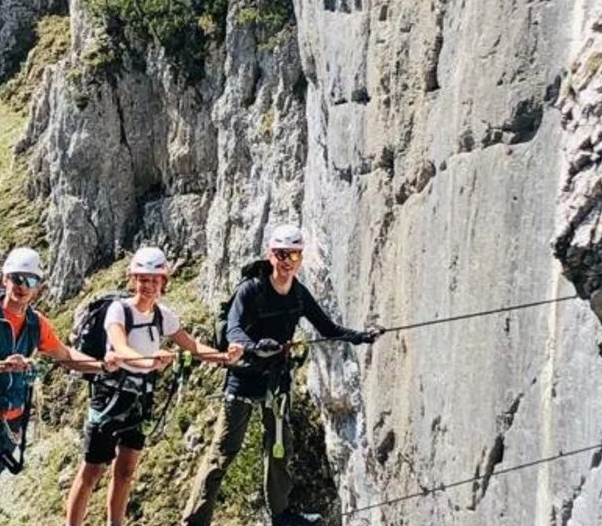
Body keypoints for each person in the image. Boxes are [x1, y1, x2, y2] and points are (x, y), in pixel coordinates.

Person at [182, 225, 383, 526]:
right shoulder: (251, 290)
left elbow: (326, 328)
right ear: (270, 255)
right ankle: (194, 520)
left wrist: (361, 336)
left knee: (279, 447)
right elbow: (234, 328)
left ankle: (281, 514)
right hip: (244, 378)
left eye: (294, 255)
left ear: (300, 258)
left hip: (276, 381)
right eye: (280, 254)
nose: (287, 261)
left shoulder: (298, 294)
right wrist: (253, 346)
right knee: (223, 452)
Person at [65, 246, 244, 526]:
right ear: (133, 280)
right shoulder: (118, 310)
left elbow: (190, 344)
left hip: (140, 398)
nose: (148, 286)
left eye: (154, 280)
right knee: (92, 469)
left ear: (163, 282)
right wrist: (150, 362)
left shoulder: (163, 315)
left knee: (126, 470)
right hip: (111, 396)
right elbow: (120, 347)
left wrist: (223, 357)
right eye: (143, 279)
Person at [0, 247, 108, 526]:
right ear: (5, 279)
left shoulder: (36, 324)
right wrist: (4, 365)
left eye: (30, 281)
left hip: (9, 421)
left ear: (38, 287)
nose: (23, 287)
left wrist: (101, 366)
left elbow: (64, 355)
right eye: (17, 279)